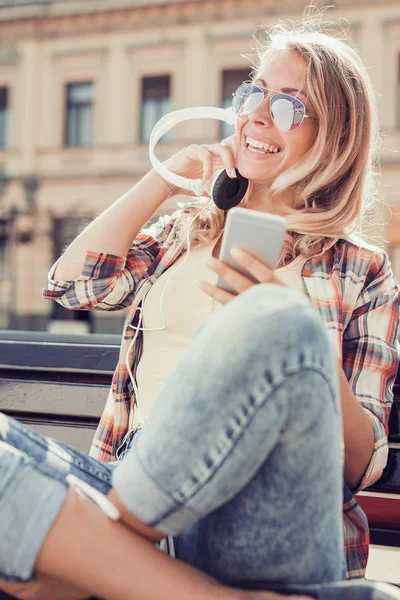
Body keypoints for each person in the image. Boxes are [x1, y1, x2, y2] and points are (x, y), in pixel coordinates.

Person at [1, 12, 400, 600]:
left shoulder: (360, 267)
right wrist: (165, 179)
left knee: (283, 325)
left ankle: (96, 544)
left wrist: (298, 343)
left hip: (261, 510)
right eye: (254, 92)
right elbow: (76, 286)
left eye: (290, 105)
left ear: (334, 137)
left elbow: (361, 465)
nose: (259, 114)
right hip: (130, 475)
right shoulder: (181, 234)